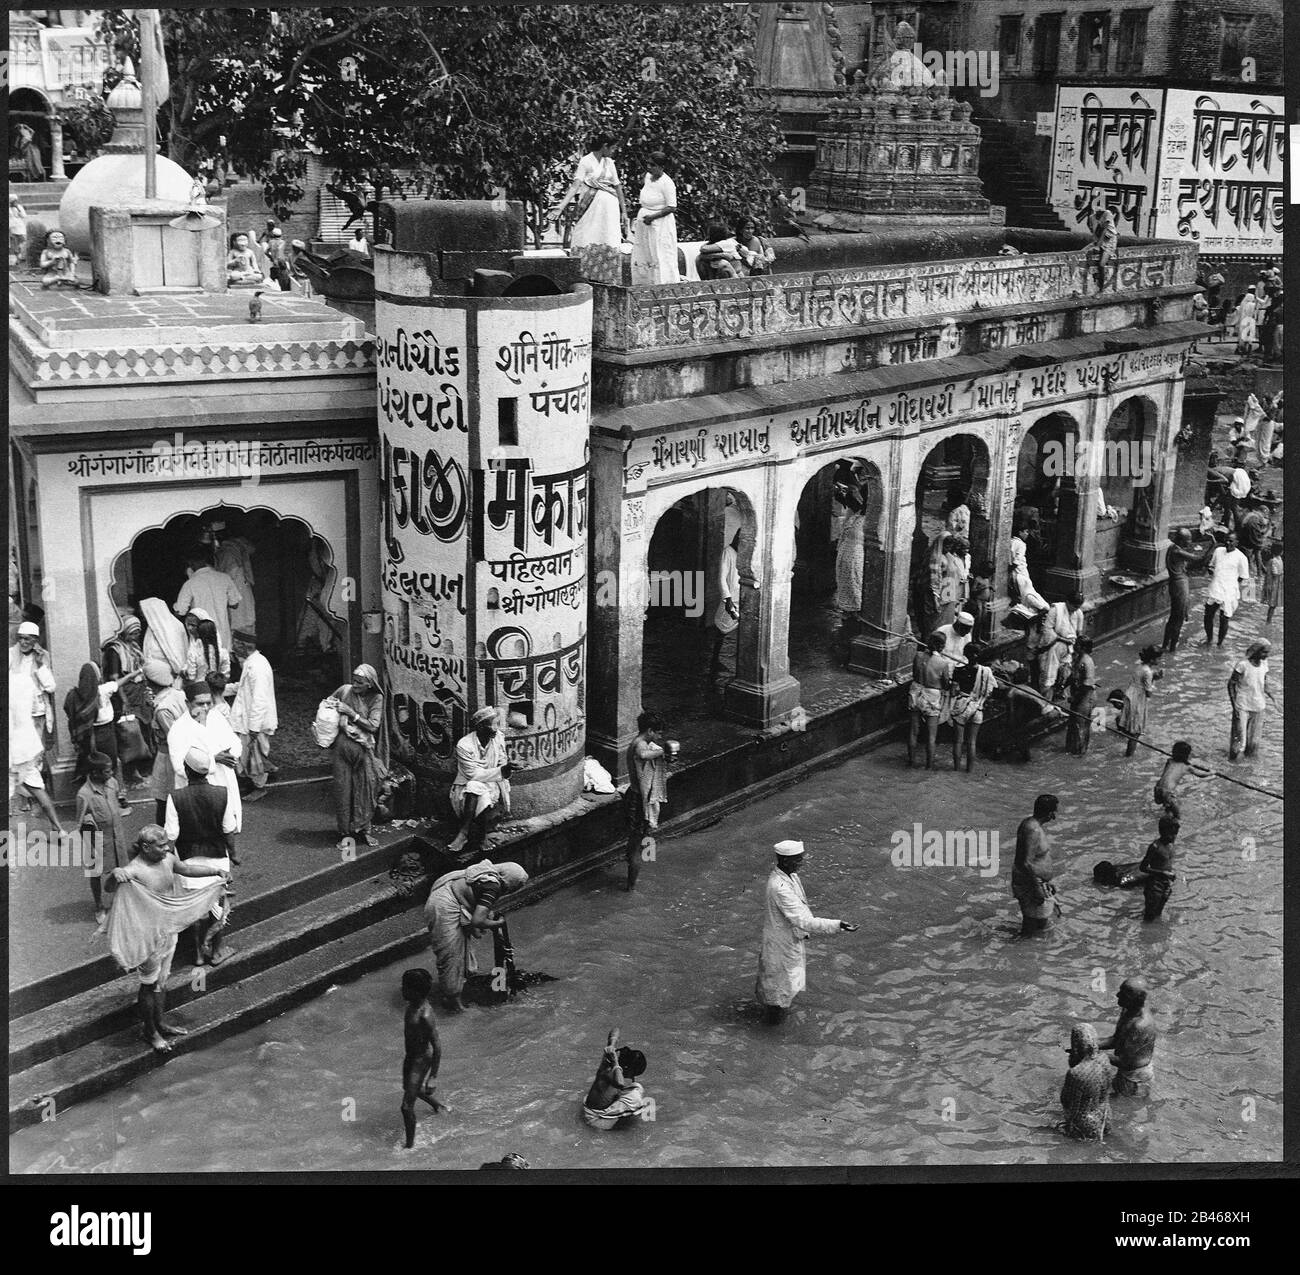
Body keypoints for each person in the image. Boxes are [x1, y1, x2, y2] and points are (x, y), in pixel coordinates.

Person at [105, 824, 229, 1052]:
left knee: (162, 981)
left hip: (168, 931)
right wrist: (114, 874)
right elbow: (110, 887)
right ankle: (150, 1032)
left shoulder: (168, 859)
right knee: (149, 985)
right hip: (147, 937)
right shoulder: (134, 870)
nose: (166, 849)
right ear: (145, 847)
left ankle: (160, 1022)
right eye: (161, 846)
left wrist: (214, 872)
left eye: (166, 845)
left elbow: (185, 869)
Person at [755, 840, 857, 1024]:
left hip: (787, 941)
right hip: (781, 946)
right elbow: (804, 920)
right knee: (779, 994)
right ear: (786, 861)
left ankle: (774, 1025)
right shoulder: (781, 888)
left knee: (783, 988)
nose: (802, 863)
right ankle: (772, 1031)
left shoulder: (791, 877)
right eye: (798, 860)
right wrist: (837, 925)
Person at [424, 859, 530, 1012]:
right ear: (509, 883)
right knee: (451, 956)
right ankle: (453, 1002)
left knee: (462, 952)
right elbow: (478, 920)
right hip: (444, 906)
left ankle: (461, 984)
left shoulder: (486, 873)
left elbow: (478, 907)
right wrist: (498, 924)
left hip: (447, 896)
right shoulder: (493, 886)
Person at [164, 746, 236, 964]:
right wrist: (233, 853)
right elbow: (228, 830)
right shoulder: (222, 794)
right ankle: (216, 950)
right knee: (217, 905)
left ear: (186, 770)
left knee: (194, 910)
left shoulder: (175, 798)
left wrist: (167, 862)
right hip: (217, 859)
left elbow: (171, 836)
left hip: (188, 862)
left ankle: (197, 954)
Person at [166, 680, 243, 844]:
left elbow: (235, 741)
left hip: (224, 781)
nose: (206, 707)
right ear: (187, 703)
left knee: (226, 829)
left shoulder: (216, 717)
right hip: (196, 791)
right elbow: (179, 766)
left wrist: (232, 754)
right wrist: (213, 760)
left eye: (209, 703)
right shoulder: (178, 729)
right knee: (201, 838)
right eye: (200, 704)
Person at [8, 621, 63, 832]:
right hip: (15, 713)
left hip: (35, 713)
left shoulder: (42, 656)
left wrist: (41, 666)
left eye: (28, 639)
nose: (23, 642)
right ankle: (21, 797)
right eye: (21, 638)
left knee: (32, 757)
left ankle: (31, 793)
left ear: (35, 641)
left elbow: (50, 686)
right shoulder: (11, 653)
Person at [327, 664, 386, 850]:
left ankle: (365, 830)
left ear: (370, 684)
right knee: (343, 791)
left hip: (363, 751)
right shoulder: (345, 691)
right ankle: (345, 834)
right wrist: (328, 715)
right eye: (354, 680)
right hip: (341, 750)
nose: (355, 685)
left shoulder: (376, 698)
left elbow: (373, 726)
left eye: (360, 682)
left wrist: (351, 714)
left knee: (366, 790)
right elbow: (328, 703)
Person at [64, 661, 142, 799]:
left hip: (88, 736)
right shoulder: (102, 691)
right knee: (110, 763)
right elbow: (123, 680)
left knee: (93, 763)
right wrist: (139, 671)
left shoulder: (74, 696)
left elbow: (70, 714)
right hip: (106, 733)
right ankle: (115, 796)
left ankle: (94, 796)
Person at [447, 706, 513, 857]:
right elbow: (473, 774)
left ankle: (464, 832)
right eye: (494, 724)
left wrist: (507, 768)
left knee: (477, 789)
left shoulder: (498, 738)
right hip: (466, 785)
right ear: (481, 726)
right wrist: (502, 771)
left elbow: (503, 762)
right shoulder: (464, 745)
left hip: (493, 784)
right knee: (474, 786)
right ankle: (482, 836)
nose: (497, 728)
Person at [75, 751, 129, 928]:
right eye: (107, 771)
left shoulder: (112, 783)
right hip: (96, 841)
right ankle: (99, 905)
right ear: (95, 773)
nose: (112, 774)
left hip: (116, 836)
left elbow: (117, 801)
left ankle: (122, 902)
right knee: (95, 873)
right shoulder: (84, 795)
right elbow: (80, 824)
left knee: (122, 869)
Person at [623, 711, 671, 891]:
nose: (659, 737)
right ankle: (631, 889)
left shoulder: (640, 742)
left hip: (634, 797)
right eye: (658, 733)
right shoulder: (639, 745)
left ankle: (635, 864)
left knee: (637, 839)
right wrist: (662, 752)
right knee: (638, 843)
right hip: (637, 801)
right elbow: (643, 755)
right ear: (650, 730)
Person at [399, 968, 446, 1148]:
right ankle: (438, 1106)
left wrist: (433, 1076)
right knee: (411, 1088)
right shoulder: (411, 1006)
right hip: (410, 1057)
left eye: (404, 987)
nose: (401, 990)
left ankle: (409, 1147)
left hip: (420, 1060)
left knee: (405, 1106)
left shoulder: (425, 1016)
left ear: (415, 991)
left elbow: (437, 1046)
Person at [229, 629, 277, 801]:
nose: (232, 647)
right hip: (248, 720)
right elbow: (243, 688)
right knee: (248, 755)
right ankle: (255, 781)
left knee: (254, 755)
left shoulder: (257, 666)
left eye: (234, 643)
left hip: (256, 722)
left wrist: (254, 728)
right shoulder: (251, 662)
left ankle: (259, 787)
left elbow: (259, 699)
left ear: (242, 645)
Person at [564, 134, 628, 249]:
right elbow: (576, 185)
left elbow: (617, 186)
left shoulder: (609, 162)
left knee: (608, 236)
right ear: (605, 146)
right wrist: (561, 205)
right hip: (590, 205)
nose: (613, 151)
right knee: (588, 235)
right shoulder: (586, 161)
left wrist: (624, 212)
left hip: (609, 208)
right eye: (612, 148)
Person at [1097, 977, 1158, 1095]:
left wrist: (1095, 1054)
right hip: (1127, 1068)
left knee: (1121, 1106)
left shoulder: (1140, 1025)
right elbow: (1116, 1040)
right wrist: (1091, 1044)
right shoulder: (1128, 1010)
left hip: (1135, 1078)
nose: (1117, 995)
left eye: (1123, 994)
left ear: (1133, 1000)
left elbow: (1127, 1062)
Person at [174, 549, 242, 652]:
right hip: (223, 635)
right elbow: (235, 604)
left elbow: (180, 612)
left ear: (190, 564)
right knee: (224, 664)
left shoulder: (190, 584)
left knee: (206, 664)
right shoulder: (224, 578)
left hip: (203, 635)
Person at [583, 1028, 651, 1130]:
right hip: (594, 1118)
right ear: (627, 1068)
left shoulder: (609, 1059)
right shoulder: (612, 1067)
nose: (632, 1077)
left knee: (637, 1088)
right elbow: (620, 1083)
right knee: (636, 1098)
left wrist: (612, 1043)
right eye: (633, 1073)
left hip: (593, 1105)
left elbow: (616, 1030)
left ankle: (619, 1114)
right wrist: (615, 1062)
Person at [146, 661, 188, 824]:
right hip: (183, 754)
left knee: (163, 799)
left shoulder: (163, 709)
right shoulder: (178, 694)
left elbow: (174, 738)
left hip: (168, 757)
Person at [1012, 794, 1060, 934]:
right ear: (1049, 813)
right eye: (1053, 812)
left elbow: (1035, 860)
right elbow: (1026, 863)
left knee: (1039, 926)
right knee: (1032, 929)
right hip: (1031, 883)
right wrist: (1037, 887)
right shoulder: (1032, 830)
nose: (1054, 817)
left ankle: (1028, 951)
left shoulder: (1032, 824)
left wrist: (1046, 881)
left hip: (1035, 881)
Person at [630, 152, 679, 285]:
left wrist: (652, 217)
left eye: (653, 165)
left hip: (660, 223)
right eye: (648, 164)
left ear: (661, 166)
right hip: (645, 221)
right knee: (644, 252)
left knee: (659, 253)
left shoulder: (667, 183)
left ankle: (663, 284)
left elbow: (672, 207)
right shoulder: (648, 177)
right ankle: (644, 283)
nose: (649, 167)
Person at [1161, 530, 1213, 652]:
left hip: (1177, 583)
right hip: (1179, 585)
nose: (1190, 543)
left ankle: (1165, 645)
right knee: (1178, 618)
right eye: (1188, 540)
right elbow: (1199, 559)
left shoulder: (1173, 548)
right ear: (1181, 540)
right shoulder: (1177, 550)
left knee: (1174, 617)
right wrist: (1212, 545)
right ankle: (1172, 649)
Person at [949, 642, 995, 772]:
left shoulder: (959, 670)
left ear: (965, 654)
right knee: (972, 742)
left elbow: (953, 692)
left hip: (962, 706)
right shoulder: (986, 671)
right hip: (977, 708)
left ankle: (956, 770)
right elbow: (989, 691)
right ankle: (970, 771)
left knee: (958, 741)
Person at [711, 498, 743, 683]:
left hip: (743, 597)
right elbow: (722, 578)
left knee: (742, 632)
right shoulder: (728, 552)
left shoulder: (744, 554)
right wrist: (727, 598)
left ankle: (740, 664)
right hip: (731, 599)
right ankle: (714, 660)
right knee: (721, 629)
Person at [1060, 1024, 1110, 1141]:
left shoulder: (1076, 1073)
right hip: (1104, 1116)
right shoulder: (1105, 1059)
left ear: (1075, 1046)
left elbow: (1067, 1102)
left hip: (1085, 1126)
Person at [907, 633, 950, 770]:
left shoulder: (918, 656)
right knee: (931, 737)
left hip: (916, 691)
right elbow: (946, 684)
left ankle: (911, 763)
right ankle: (929, 767)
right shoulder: (943, 663)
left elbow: (914, 675)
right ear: (942, 646)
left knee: (913, 731)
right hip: (932, 696)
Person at [1227, 639, 1272, 761]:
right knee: (1238, 743)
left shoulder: (1264, 664)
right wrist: (1234, 705)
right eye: (1264, 652)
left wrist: (1273, 698)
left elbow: (1264, 682)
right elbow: (1231, 684)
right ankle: (1233, 766)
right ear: (1256, 651)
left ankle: (1249, 770)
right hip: (1242, 707)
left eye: (1268, 652)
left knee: (1253, 744)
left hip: (1258, 707)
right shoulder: (1243, 665)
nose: (1266, 655)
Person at [1203, 532, 1250, 648]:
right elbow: (1212, 565)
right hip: (1216, 587)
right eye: (1227, 540)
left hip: (1229, 590)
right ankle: (1209, 639)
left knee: (1224, 618)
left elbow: (1244, 576)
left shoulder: (1241, 558)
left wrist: (1232, 584)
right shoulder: (1219, 551)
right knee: (1208, 614)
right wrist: (1211, 571)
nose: (1228, 543)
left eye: (1231, 541)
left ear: (1237, 543)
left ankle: (1219, 643)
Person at [1117, 646, 1163, 758]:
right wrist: (1154, 681)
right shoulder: (1148, 672)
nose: (1159, 661)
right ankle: (1129, 756)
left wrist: (1154, 677)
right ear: (1152, 659)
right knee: (1136, 732)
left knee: (1130, 724)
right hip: (1138, 699)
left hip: (1131, 695)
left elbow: (1141, 681)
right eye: (1158, 659)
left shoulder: (1140, 667)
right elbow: (1148, 693)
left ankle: (1123, 731)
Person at [213, 533, 257, 638]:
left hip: (236, 589)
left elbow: (228, 575)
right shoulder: (234, 550)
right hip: (242, 591)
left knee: (239, 622)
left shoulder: (228, 552)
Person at [1137, 815, 1179, 922]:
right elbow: (1143, 867)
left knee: (1158, 915)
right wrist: (1163, 873)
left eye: (1176, 834)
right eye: (1171, 834)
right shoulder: (1155, 847)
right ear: (1162, 831)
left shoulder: (1171, 845)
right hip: (1154, 886)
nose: (1174, 837)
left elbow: (1167, 863)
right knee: (1149, 918)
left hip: (1166, 885)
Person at [1153, 741, 1209, 819]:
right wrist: (1212, 772)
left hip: (1157, 788)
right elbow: (1201, 775)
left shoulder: (1169, 761)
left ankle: (1167, 813)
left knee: (1167, 806)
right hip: (1167, 792)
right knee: (1178, 815)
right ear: (1187, 755)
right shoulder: (1186, 767)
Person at [139, 596, 188, 686]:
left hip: (171, 675)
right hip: (152, 675)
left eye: (143, 612)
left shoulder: (176, 626)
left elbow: (178, 653)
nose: (142, 615)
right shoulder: (151, 628)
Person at [1065, 638, 1098, 755]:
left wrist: (1075, 698)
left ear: (1083, 647)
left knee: (1081, 725)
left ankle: (1081, 753)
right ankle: (1072, 749)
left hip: (1085, 697)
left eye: (1077, 644)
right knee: (1073, 724)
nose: (1075, 646)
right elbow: (1073, 675)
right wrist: (1063, 685)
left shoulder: (1087, 661)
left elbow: (1087, 686)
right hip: (1078, 695)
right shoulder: (1078, 658)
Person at [1008, 525, 1047, 611]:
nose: (1027, 534)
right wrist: (1010, 568)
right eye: (1025, 532)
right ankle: (1042, 607)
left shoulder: (1011, 541)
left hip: (1015, 572)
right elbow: (1017, 560)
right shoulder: (1021, 544)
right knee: (1028, 592)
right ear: (1020, 532)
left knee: (1021, 592)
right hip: (1021, 572)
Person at [183, 611, 229, 682]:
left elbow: (191, 676)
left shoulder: (194, 652)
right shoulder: (224, 652)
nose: (189, 628)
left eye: (193, 625)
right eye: (188, 624)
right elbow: (225, 675)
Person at [1089, 207, 1117, 290]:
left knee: (1101, 264)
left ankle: (1101, 289)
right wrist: (1095, 243)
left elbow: (1104, 230)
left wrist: (1098, 245)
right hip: (1100, 240)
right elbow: (1094, 232)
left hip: (1109, 241)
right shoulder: (1092, 217)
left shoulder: (1107, 213)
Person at [1261, 541, 1282, 626]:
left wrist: (1263, 568)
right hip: (1276, 585)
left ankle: (1268, 621)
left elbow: (1275, 572)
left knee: (1272, 605)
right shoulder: (1279, 560)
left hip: (1272, 585)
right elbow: (1276, 573)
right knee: (1273, 605)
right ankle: (1269, 621)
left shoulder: (1272, 561)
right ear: (1281, 552)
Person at [1234, 290, 1258, 354]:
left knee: (1242, 335)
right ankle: (1248, 350)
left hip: (1243, 321)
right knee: (1250, 336)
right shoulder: (1252, 305)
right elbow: (1254, 312)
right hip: (1250, 321)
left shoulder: (1242, 304)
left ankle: (1240, 348)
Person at [9, 193, 27, 265]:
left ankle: (23, 256)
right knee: (14, 244)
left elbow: (24, 216)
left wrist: (18, 208)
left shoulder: (19, 207)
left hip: (20, 227)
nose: (15, 202)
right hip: (11, 227)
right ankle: (17, 259)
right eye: (13, 201)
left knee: (22, 242)